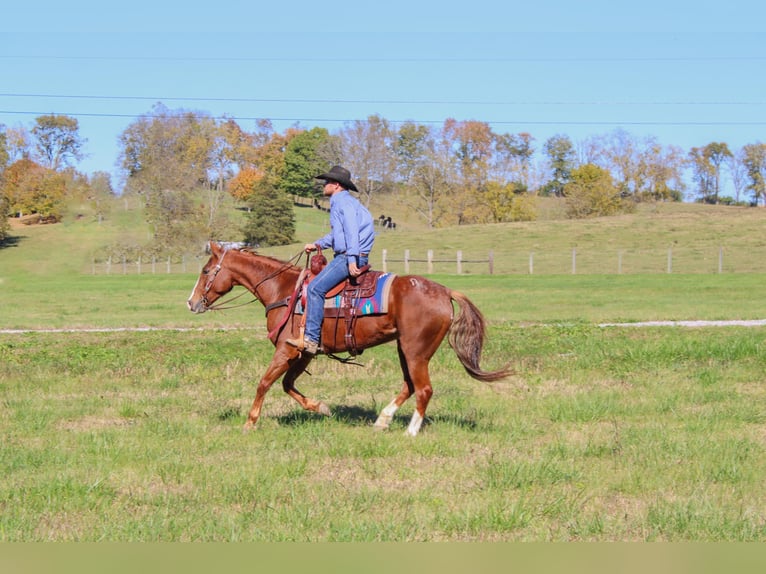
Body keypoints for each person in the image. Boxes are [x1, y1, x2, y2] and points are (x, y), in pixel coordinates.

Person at [286, 166, 375, 355]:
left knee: (315, 288)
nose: (324, 185)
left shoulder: (341, 202)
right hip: (353, 253)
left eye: (327, 182)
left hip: (348, 256)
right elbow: (339, 234)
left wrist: (352, 259)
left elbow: (351, 231)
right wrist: (318, 244)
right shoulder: (349, 203)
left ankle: (311, 338)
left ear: (336, 185)